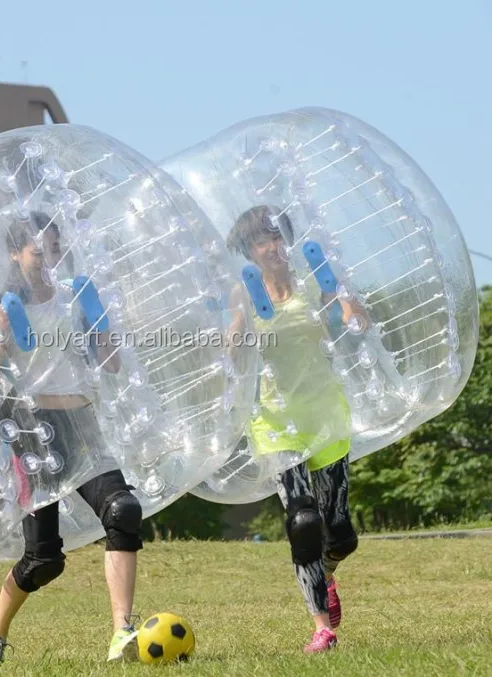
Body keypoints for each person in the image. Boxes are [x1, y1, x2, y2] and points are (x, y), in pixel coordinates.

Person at [0, 213, 143, 673]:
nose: (46, 259)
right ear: (15, 255)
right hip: (33, 433)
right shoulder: (4, 309)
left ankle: (122, 630)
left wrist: (101, 329)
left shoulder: (76, 297)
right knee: (44, 560)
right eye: (35, 250)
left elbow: (112, 367)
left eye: (53, 249)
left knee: (123, 511)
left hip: (81, 421)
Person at [226, 205, 365, 653]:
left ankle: (326, 574)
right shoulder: (244, 294)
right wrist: (235, 342)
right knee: (303, 520)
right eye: (262, 241)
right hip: (276, 422)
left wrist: (350, 310)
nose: (274, 247)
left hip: (324, 414)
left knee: (341, 534)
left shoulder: (311, 281)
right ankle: (321, 627)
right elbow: (233, 349)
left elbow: (352, 312)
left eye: (278, 237)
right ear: (249, 251)